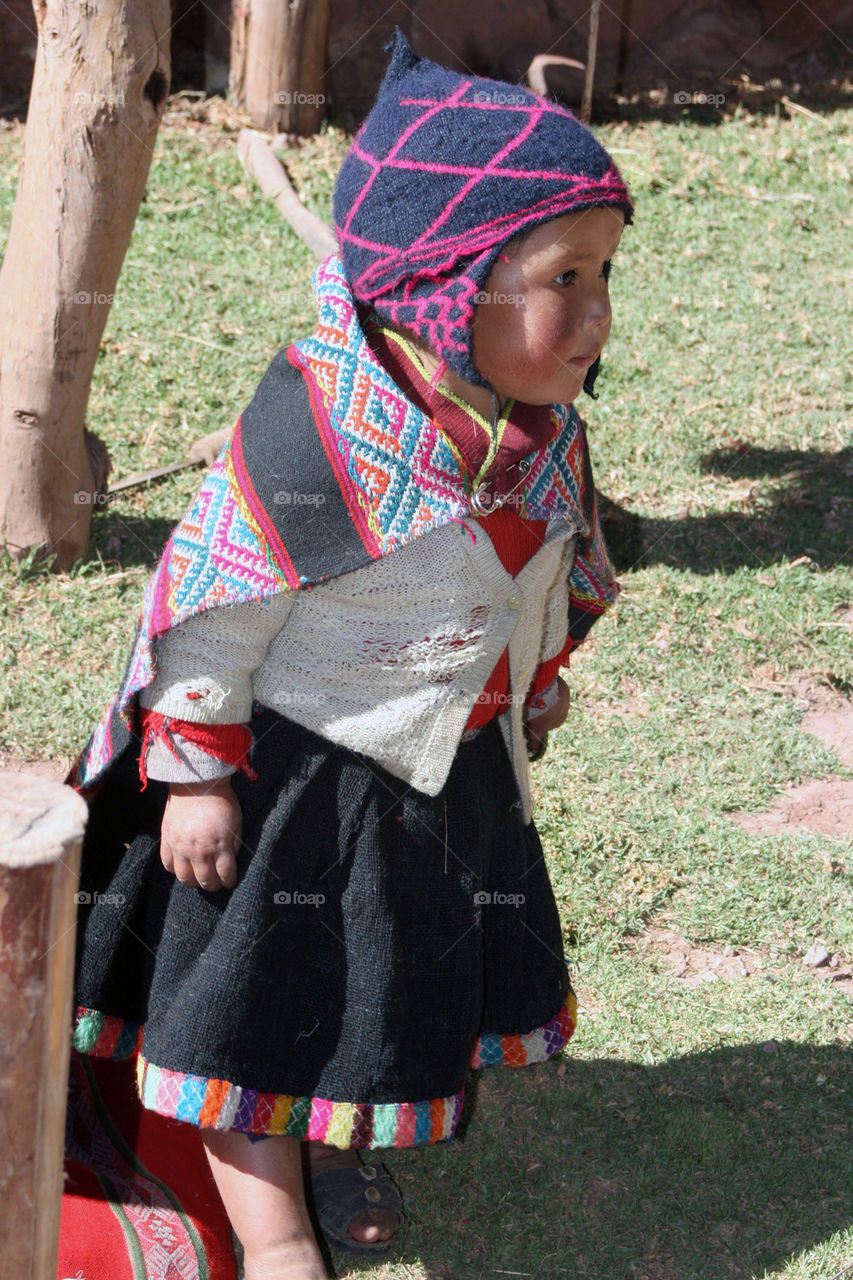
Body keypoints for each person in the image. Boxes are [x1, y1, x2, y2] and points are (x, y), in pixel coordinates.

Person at [70, 31, 632, 1280]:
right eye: (563, 278)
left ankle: (332, 1146)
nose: (597, 312)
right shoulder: (316, 435)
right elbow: (212, 603)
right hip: (291, 785)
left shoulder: (532, 432)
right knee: (251, 1002)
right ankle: (275, 1235)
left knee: (375, 981)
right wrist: (200, 769)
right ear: (442, 289)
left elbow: (545, 565)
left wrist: (531, 685)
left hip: (440, 779)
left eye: (604, 271)